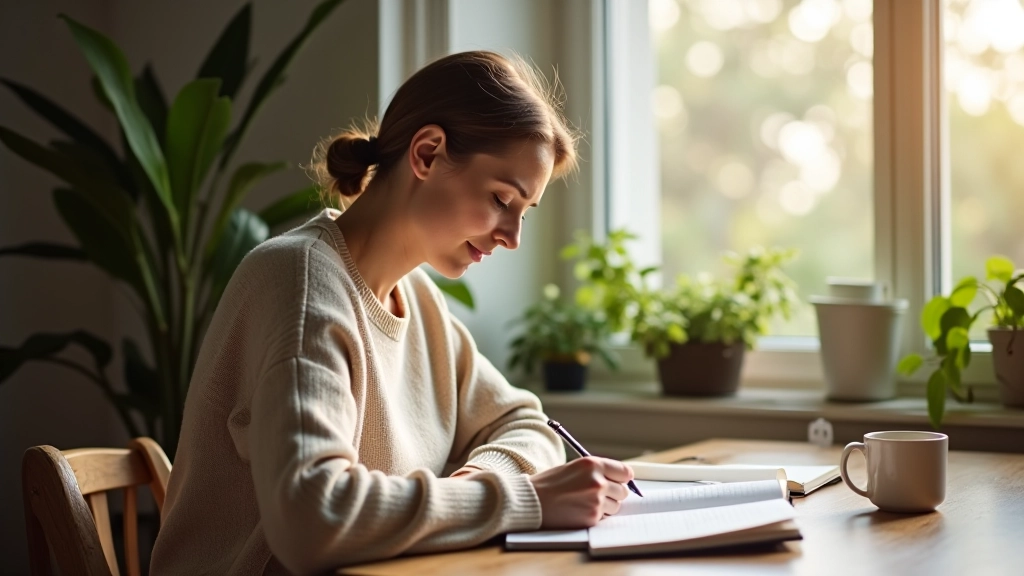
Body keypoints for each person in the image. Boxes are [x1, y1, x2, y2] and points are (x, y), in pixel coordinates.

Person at [150, 50, 634, 576]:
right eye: (501, 198)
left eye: (523, 212)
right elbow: (314, 520)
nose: (512, 237)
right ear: (427, 154)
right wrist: (522, 500)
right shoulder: (303, 283)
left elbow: (526, 423)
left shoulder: (417, 297)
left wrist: (475, 489)